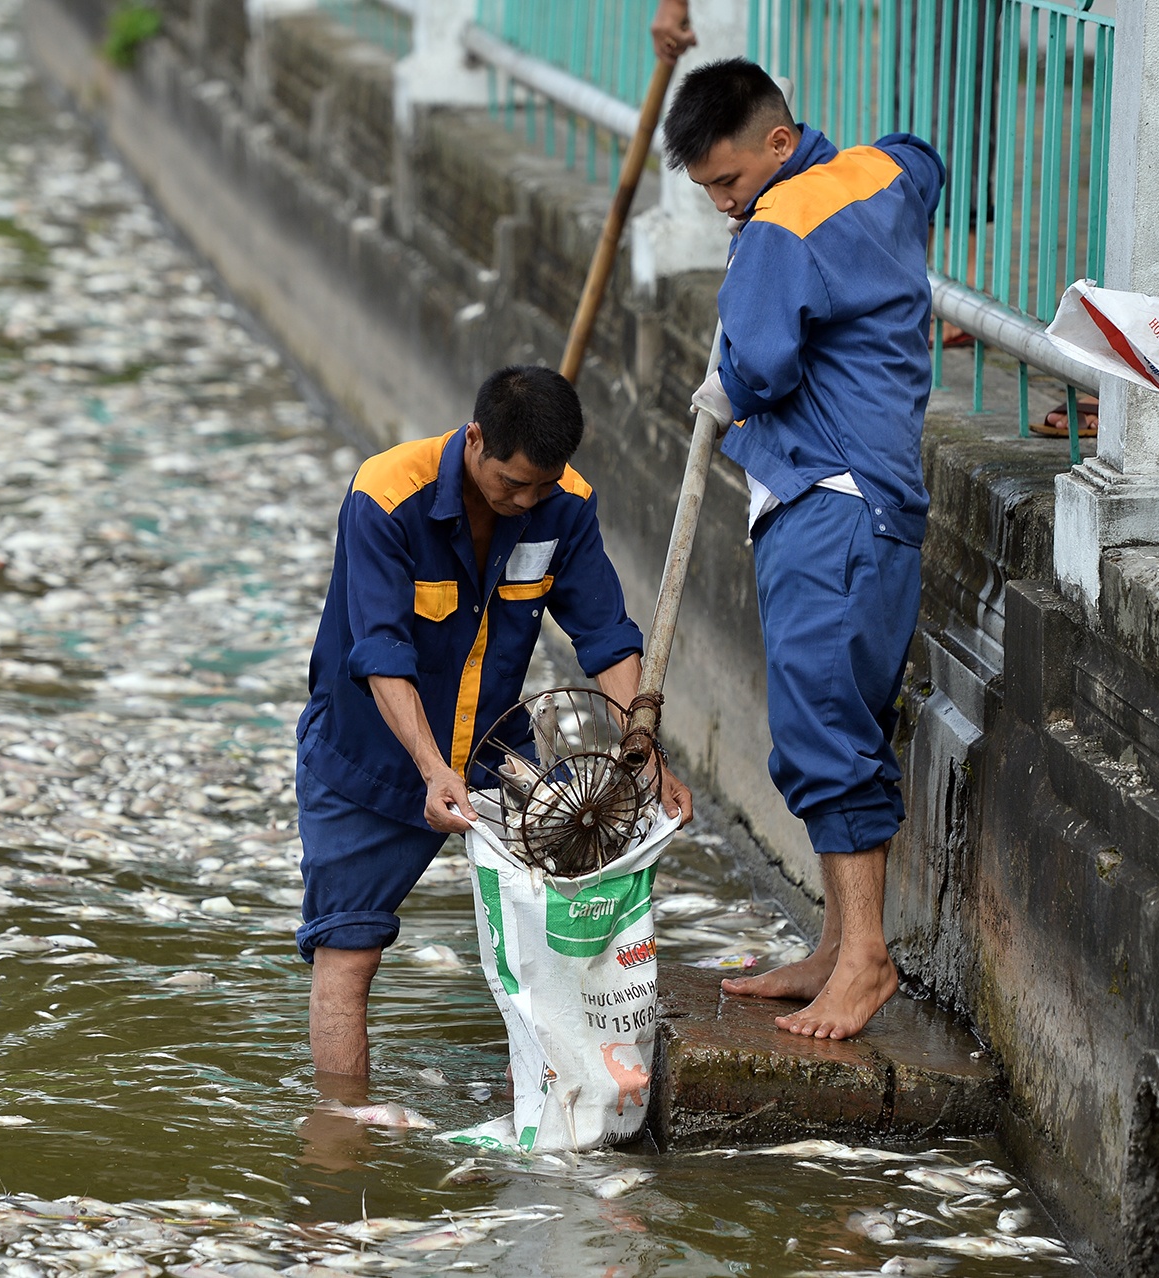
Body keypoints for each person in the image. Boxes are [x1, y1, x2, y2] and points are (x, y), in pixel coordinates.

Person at [296, 365, 693, 1079]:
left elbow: (603, 632)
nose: (525, 501)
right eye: (512, 484)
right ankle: (342, 1136)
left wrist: (646, 744)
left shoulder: (564, 505)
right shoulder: (385, 497)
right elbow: (381, 652)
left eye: (542, 485)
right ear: (474, 439)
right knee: (349, 954)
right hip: (372, 757)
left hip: (495, 749)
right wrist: (429, 768)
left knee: (565, 911)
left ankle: (544, 1102)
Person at [660, 58, 945, 1040]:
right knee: (845, 719)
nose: (724, 208)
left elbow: (763, 367)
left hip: (827, 501)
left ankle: (865, 960)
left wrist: (731, 355)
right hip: (879, 508)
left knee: (824, 731)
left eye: (728, 184)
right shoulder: (876, 173)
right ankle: (836, 941)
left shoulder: (780, 227)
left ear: (779, 145)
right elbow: (927, 159)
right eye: (707, 194)